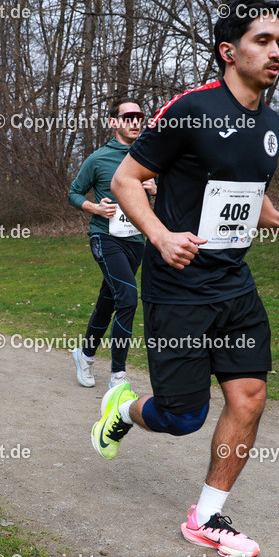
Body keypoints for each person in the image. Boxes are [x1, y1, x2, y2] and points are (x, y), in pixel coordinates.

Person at [92, 0, 279, 557]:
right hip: (179, 285)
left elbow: (251, 197)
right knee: (183, 416)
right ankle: (124, 408)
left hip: (234, 285)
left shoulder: (274, 125)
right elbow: (124, 180)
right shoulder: (192, 108)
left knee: (250, 395)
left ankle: (207, 518)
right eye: (262, 42)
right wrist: (161, 237)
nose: (275, 53)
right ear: (227, 51)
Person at [69, 97, 154, 391]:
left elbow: (161, 200)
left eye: (139, 116)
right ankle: (118, 374)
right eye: (127, 116)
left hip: (135, 241)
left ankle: (85, 355)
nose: (134, 121)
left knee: (109, 300)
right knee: (129, 297)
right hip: (104, 237)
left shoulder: (149, 158)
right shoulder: (99, 158)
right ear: (113, 122)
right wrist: (94, 208)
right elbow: (74, 193)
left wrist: (157, 188)